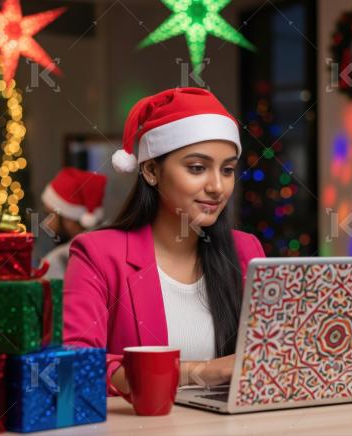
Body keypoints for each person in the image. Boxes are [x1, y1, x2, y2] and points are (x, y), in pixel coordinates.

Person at [63, 87, 265, 393]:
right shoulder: (98, 254)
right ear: (151, 170)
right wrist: (203, 372)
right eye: (197, 168)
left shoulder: (244, 250)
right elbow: (74, 367)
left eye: (227, 170)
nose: (217, 187)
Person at [40, 168, 107, 279]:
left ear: (69, 218)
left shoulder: (58, 261)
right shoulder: (117, 246)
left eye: (49, 215)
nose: (46, 224)